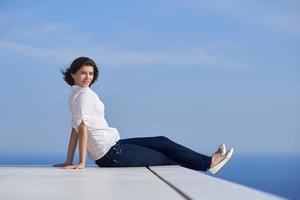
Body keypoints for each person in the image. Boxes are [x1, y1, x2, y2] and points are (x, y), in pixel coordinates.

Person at [53, 57, 234, 174]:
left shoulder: (75, 94)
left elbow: (75, 129)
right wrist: (81, 162)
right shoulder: (84, 94)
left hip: (111, 147)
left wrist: (69, 160)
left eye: (91, 73)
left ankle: (209, 162)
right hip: (111, 154)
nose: (88, 77)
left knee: (161, 141)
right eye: (83, 73)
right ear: (73, 74)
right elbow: (81, 128)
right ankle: (209, 163)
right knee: (163, 156)